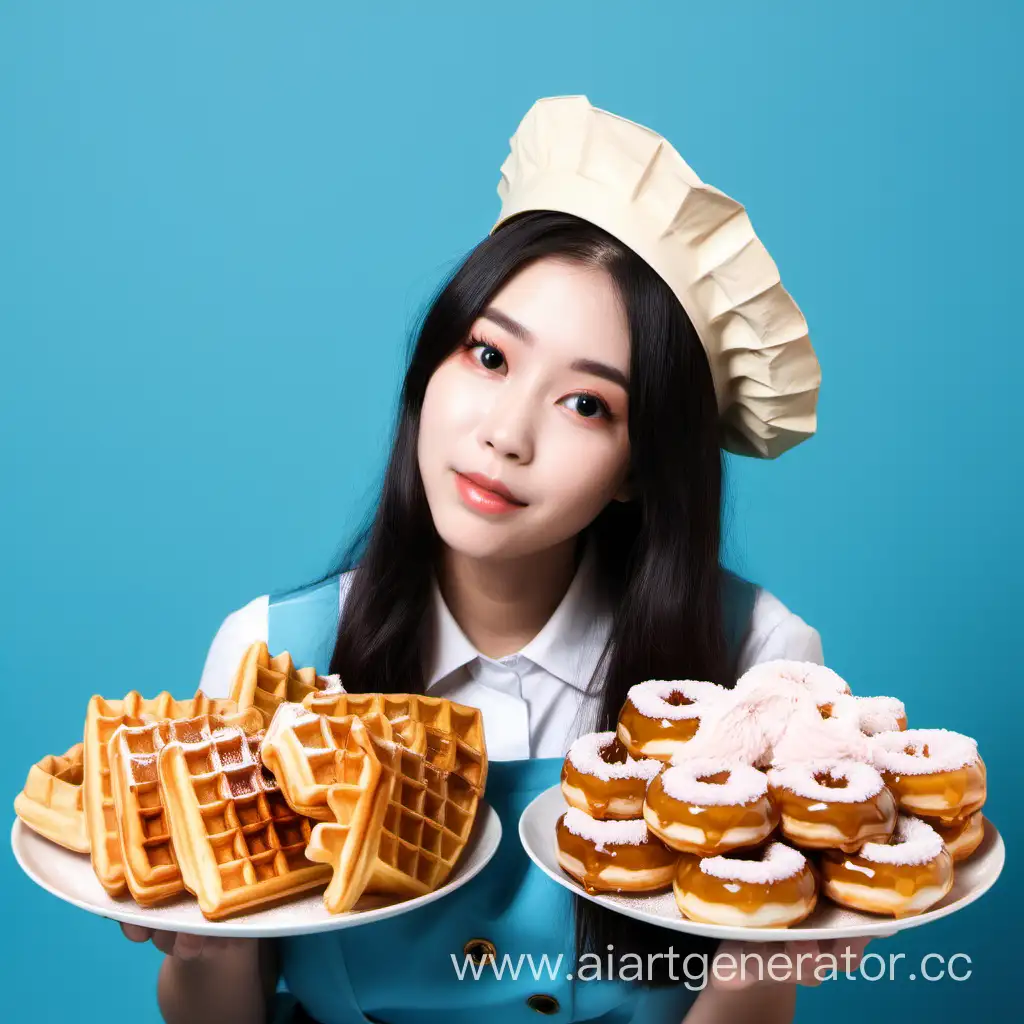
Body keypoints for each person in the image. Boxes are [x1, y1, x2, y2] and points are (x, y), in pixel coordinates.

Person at [122, 96, 877, 1023]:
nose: (505, 435)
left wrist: (764, 964)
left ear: (642, 468)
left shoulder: (756, 668)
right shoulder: (271, 653)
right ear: (432, 361)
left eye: (587, 405)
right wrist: (203, 943)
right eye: (488, 356)